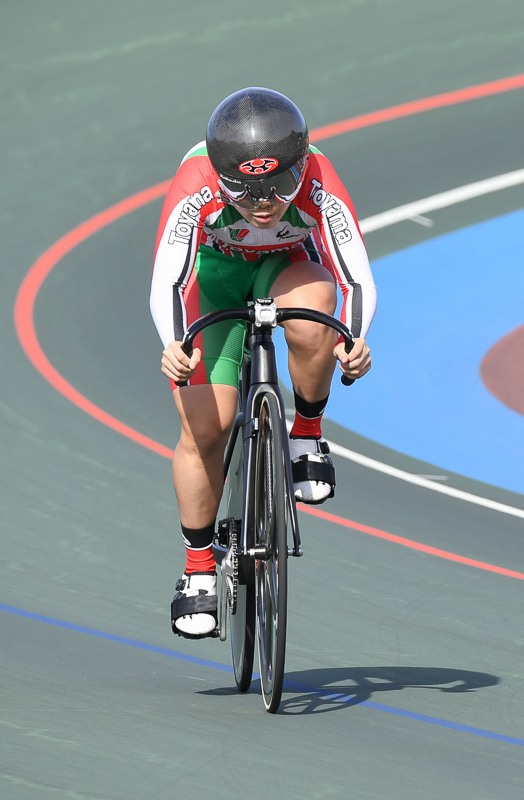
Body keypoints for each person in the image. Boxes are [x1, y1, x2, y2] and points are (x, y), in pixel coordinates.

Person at [150, 87, 377, 637]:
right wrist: (175, 343)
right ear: (221, 175)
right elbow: (168, 277)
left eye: (276, 188)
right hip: (214, 282)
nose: (262, 202)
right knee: (208, 426)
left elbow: (354, 273)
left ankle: (305, 434)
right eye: (244, 190)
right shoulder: (194, 184)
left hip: (285, 269)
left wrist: (355, 338)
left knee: (318, 310)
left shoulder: (319, 179)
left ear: (298, 167)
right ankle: (199, 571)